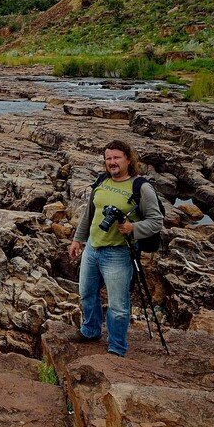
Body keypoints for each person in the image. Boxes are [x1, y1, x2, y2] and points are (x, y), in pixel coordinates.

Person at [67, 139, 164, 357]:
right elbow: (89, 213)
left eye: (117, 158)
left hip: (118, 253)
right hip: (93, 248)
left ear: (129, 160)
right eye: (108, 158)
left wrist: (133, 227)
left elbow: (156, 221)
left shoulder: (141, 188)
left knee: (118, 305)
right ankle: (90, 330)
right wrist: (78, 239)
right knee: (86, 293)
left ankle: (116, 347)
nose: (112, 162)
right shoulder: (102, 180)